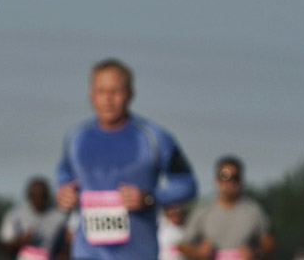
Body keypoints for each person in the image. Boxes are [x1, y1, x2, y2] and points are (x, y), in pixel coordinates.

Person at [56, 58, 198, 260]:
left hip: (137, 253)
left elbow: (188, 185)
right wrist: (63, 193)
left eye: (116, 91)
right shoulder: (76, 138)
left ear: (130, 94)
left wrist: (150, 198)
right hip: (87, 253)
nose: (108, 99)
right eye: (101, 91)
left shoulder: (155, 138)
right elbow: (64, 176)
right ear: (91, 95)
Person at [179, 156, 273, 260]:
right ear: (216, 179)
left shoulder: (253, 211)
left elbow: (268, 242)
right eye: (225, 176)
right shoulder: (203, 210)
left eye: (235, 177)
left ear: (241, 180)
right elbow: (183, 246)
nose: (230, 182)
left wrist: (255, 252)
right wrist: (198, 252)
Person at [0, 177, 70, 260]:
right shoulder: (15, 215)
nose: (39, 200)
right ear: (29, 196)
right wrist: (20, 242)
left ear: (47, 196)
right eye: (35, 196)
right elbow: (3, 246)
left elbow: (66, 245)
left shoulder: (60, 217)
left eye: (42, 196)